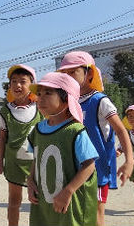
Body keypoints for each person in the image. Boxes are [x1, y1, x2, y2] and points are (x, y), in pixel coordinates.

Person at [58, 51, 134, 226]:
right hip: (74, 169)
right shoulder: (69, 102)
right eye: (65, 73)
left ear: (89, 72)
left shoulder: (100, 101)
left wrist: (129, 160)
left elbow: (121, 130)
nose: (68, 76)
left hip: (97, 169)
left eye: (73, 72)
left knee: (96, 213)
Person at [27, 72, 98, 226]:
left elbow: (89, 165)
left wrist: (68, 191)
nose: (40, 98)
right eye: (39, 93)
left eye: (48, 93)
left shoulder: (74, 130)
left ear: (66, 99)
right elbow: (36, 159)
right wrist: (30, 180)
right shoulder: (38, 130)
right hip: (44, 202)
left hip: (69, 202)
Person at [0, 64, 42, 226]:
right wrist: (0, 163)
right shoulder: (5, 111)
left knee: (39, 200)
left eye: (23, 81)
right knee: (14, 201)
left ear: (32, 85)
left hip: (36, 164)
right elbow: (2, 138)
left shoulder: (41, 108)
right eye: (13, 81)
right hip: (14, 164)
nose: (17, 85)